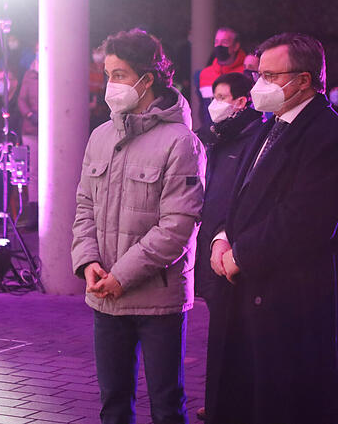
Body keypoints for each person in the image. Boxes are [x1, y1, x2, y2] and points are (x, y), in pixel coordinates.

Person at [207, 32, 338, 424]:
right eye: (259, 74)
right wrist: (223, 236)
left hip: (296, 297)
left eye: (271, 76)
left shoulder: (328, 135)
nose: (260, 85)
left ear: (304, 80)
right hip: (250, 288)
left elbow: (303, 219)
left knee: (290, 404)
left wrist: (241, 254)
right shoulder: (268, 125)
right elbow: (240, 195)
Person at [72, 28, 205, 424]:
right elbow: (83, 207)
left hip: (157, 298)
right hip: (104, 295)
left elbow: (177, 226)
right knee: (113, 402)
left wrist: (122, 276)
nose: (109, 84)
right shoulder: (100, 136)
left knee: (166, 404)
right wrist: (88, 263)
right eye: (107, 74)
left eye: (119, 74)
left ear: (147, 79)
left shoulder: (180, 142)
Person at [193, 72, 263, 423]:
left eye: (222, 97)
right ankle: (220, 400)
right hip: (212, 242)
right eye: (213, 96)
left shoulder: (252, 138)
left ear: (241, 102)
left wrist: (223, 235)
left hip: (229, 247)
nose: (214, 104)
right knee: (220, 327)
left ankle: (225, 404)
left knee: (230, 330)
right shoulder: (220, 138)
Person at [197, 27, 247, 127]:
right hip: (211, 132)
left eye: (224, 42)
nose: (219, 46)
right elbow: (203, 107)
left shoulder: (245, 72)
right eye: (216, 42)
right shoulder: (205, 73)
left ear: (236, 46)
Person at [18, 54, 39, 226]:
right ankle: (34, 213)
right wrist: (30, 115)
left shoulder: (58, 71)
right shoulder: (29, 75)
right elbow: (21, 99)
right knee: (34, 172)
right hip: (32, 129)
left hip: (55, 129)